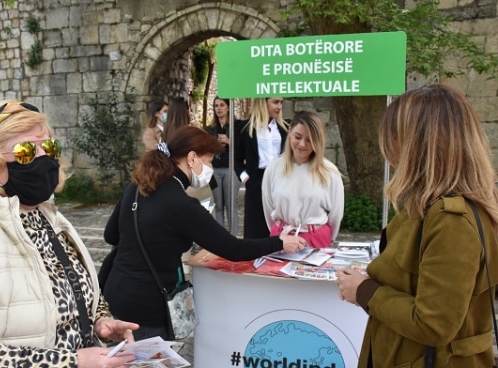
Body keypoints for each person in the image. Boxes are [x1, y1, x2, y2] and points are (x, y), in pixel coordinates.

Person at [0, 100, 139, 367]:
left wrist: (99, 321)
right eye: (25, 151)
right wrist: (71, 362)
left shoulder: (48, 216)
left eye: (49, 147)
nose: (43, 159)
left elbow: (74, 293)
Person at [336, 84, 498, 367]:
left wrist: (364, 290)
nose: (388, 148)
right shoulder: (435, 206)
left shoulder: (451, 220)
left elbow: (434, 323)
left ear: (417, 144)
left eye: (394, 138)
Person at [102, 125, 306, 341]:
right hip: (149, 309)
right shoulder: (183, 205)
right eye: (208, 160)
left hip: (115, 296)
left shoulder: (135, 188)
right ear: (191, 158)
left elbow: (110, 235)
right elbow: (233, 249)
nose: (209, 167)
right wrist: (279, 242)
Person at [262, 110, 344, 248]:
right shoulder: (274, 168)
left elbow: (335, 216)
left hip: (316, 240)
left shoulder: (329, 172)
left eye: (309, 140)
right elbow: (268, 209)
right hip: (282, 238)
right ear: (290, 132)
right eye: (298, 137)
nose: (302, 144)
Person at [234, 97, 288, 238]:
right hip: (256, 178)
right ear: (263, 102)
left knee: (279, 222)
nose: (279, 106)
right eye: (275, 102)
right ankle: (254, 257)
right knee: (255, 223)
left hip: (279, 179)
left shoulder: (284, 128)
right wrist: (246, 178)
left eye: (281, 102)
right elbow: (236, 159)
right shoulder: (245, 128)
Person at [205, 96, 241, 235]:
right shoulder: (210, 129)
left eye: (221, 105)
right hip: (214, 170)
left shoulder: (236, 126)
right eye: (216, 106)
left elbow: (243, 150)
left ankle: (233, 239)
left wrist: (229, 141)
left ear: (228, 107)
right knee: (218, 206)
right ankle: (220, 239)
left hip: (231, 169)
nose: (218, 108)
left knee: (231, 206)